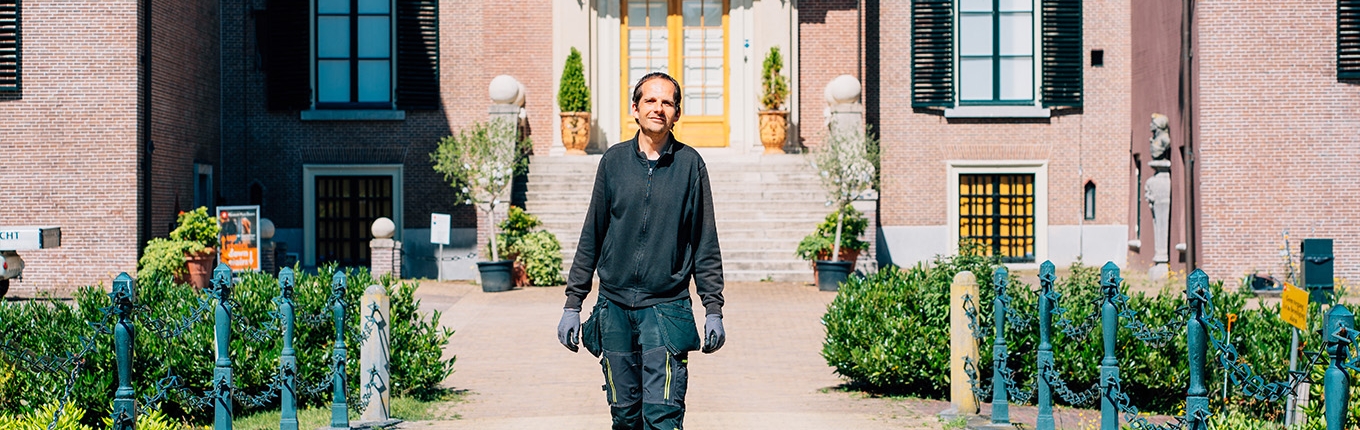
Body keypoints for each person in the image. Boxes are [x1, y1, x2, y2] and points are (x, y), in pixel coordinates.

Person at [557, 71, 726, 430]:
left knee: (663, 418)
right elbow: (593, 233)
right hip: (614, 309)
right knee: (625, 416)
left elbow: (705, 241)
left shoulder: (690, 166)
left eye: (667, 102)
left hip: (666, 310)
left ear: (676, 114)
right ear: (635, 109)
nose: (658, 108)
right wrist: (573, 303)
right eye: (650, 100)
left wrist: (714, 308)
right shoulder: (613, 162)